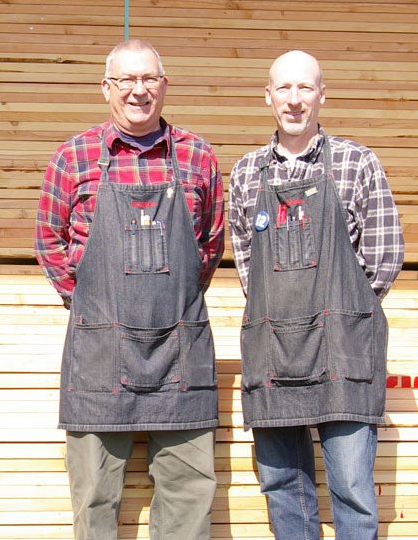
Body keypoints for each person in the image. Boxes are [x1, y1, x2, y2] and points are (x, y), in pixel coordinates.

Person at [34, 39, 225, 540]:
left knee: (188, 493)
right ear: (106, 89)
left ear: (163, 86)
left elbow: (208, 245)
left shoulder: (198, 156)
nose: (139, 91)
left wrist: (169, 298)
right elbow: (48, 240)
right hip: (100, 347)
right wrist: (92, 305)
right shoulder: (72, 157)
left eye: (149, 80)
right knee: (95, 495)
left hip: (180, 349)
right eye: (126, 80)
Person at [228, 50, 405, 540]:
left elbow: (385, 255)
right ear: (268, 97)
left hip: (343, 349)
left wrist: (341, 314)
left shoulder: (356, 162)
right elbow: (248, 264)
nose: (294, 100)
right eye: (284, 88)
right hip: (273, 351)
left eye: (305, 88)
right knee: (283, 485)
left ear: (322, 95)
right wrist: (283, 306)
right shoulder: (246, 174)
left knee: (350, 486)